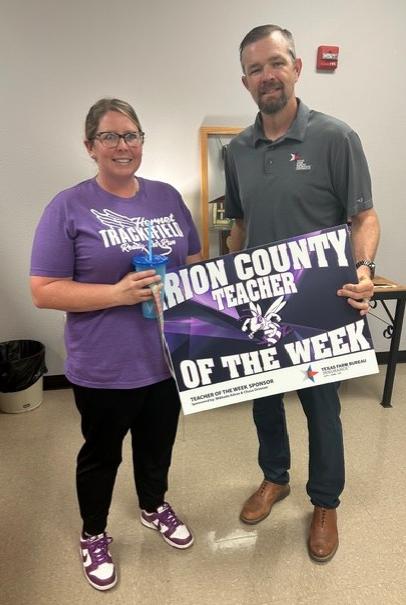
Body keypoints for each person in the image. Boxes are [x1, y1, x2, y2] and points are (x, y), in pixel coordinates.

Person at [30, 98, 202, 591]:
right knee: (101, 454)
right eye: (109, 137)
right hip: (105, 364)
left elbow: (192, 263)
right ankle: (94, 533)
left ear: (142, 142)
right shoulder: (68, 206)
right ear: (90, 146)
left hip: (166, 358)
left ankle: (153, 506)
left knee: (157, 446)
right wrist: (116, 292)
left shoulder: (167, 197)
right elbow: (43, 289)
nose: (122, 146)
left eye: (131, 135)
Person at [225, 25, 380, 563]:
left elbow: (364, 216)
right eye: (254, 68)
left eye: (275, 63)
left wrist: (363, 268)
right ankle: (275, 478)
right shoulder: (238, 150)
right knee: (264, 399)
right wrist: (220, 278)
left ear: (296, 67)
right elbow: (240, 226)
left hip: (318, 303)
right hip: (261, 301)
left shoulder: (335, 137)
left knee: (322, 409)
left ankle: (325, 502)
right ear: (244, 81)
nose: (266, 75)